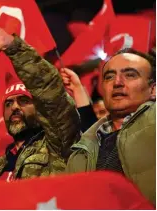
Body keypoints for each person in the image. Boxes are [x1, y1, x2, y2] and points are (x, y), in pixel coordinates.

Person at [0, 27, 81, 181]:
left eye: (24, 101)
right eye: (8, 103)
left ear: (38, 107)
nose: (14, 107)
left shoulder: (56, 144)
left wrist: (14, 47)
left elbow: (47, 88)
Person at [66, 48, 156, 204]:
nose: (117, 82)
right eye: (109, 77)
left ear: (153, 89)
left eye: (130, 75)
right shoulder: (80, 152)